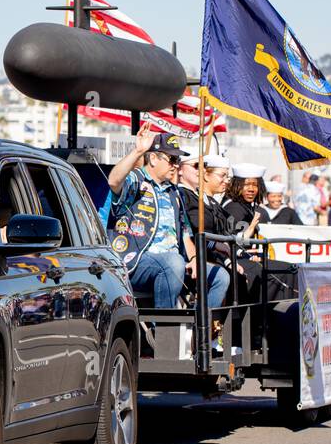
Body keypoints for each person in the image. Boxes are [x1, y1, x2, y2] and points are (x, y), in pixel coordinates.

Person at [104, 131, 221, 310]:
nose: (176, 166)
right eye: (171, 160)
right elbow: (113, 181)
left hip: (175, 263)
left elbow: (184, 235)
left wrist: (196, 258)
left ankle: (198, 331)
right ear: (153, 159)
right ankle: (166, 331)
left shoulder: (174, 192)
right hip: (136, 261)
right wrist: (137, 151)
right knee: (173, 263)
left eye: (177, 161)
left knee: (219, 276)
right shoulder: (136, 180)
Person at [223, 163, 267, 233]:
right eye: (246, 184)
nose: (251, 189)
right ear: (236, 185)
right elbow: (238, 241)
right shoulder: (234, 208)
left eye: (255, 185)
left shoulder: (245, 206)